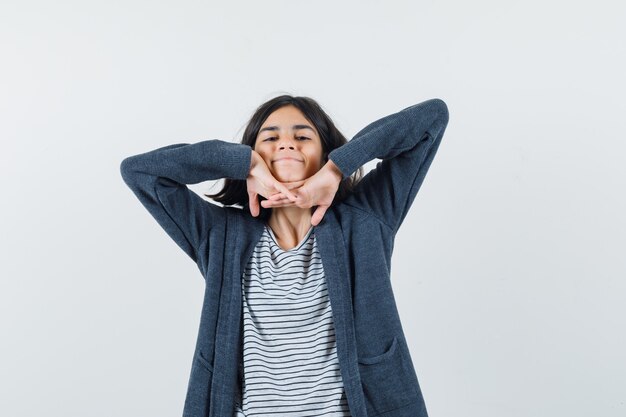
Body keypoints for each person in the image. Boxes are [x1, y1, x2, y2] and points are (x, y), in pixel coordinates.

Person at [120, 95, 449, 417]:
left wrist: (338, 168)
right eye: (270, 137)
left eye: (303, 136)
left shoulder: (365, 219)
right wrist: (242, 162)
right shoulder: (220, 234)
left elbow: (430, 118)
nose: (287, 144)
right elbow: (140, 172)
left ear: (324, 153)